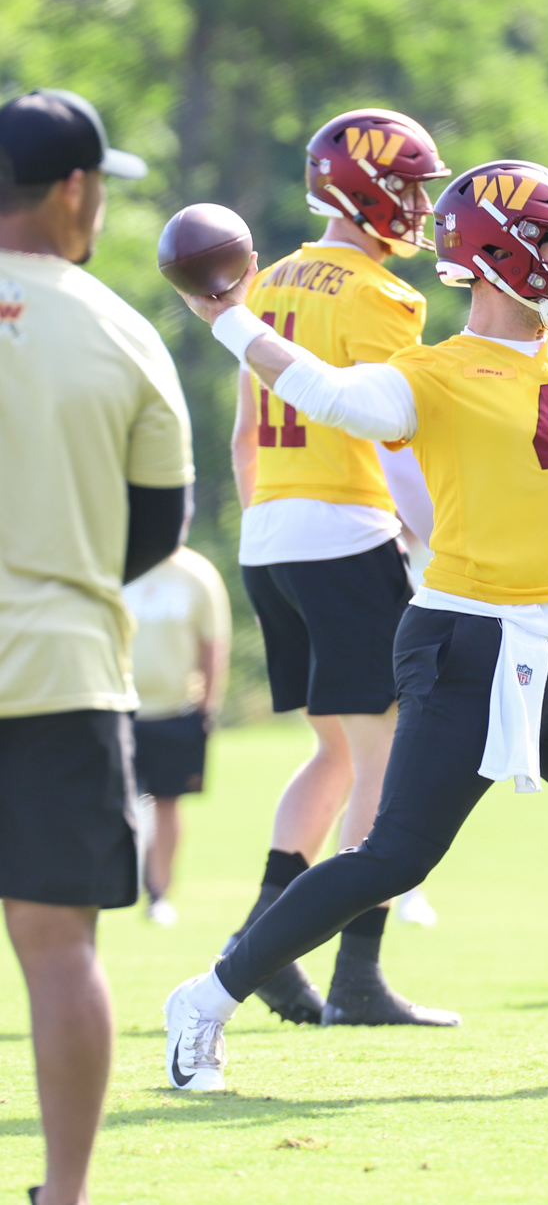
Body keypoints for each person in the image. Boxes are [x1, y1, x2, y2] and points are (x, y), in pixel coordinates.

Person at [164, 157, 548, 1091]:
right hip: (464, 642)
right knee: (394, 858)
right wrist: (228, 319)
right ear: (497, 256)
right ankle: (203, 999)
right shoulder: (434, 372)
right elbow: (330, 396)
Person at [0, 90, 192, 1205]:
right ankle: (64, 1197)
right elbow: (156, 532)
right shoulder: (122, 330)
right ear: (75, 189)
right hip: (64, 674)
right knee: (58, 949)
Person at [226, 107, 456, 1026]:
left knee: (334, 753)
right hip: (344, 531)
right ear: (360, 189)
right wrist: (434, 533)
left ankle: (265, 945)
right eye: (405, 186)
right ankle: (350, 971)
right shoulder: (381, 296)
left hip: (270, 535)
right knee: (384, 759)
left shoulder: (265, 282)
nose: (416, 204)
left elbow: (246, 433)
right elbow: (398, 433)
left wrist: (271, 529)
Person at [124, 542, 231, 925]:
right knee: (107, 804)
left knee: (167, 802)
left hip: (175, 710)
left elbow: (213, 644)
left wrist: (208, 706)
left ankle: (158, 894)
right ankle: (106, 891)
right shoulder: (116, 563)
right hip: (117, 708)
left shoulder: (196, 574)